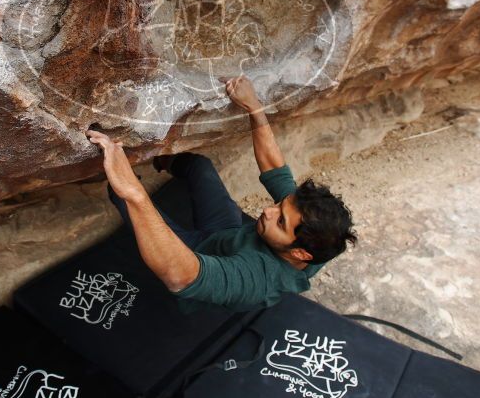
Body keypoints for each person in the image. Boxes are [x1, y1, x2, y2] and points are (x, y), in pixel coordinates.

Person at [85, 75, 357, 312]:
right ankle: (158, 163)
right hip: (225, 236)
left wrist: (134, 192)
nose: (268, 211)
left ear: (300, 255)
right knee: (198, 166)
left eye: (281, 221)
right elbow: (276, 168)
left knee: (122, 193)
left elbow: (180, 275)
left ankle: (110, 172)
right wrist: (254, 107)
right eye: (281, 205)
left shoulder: (256, 279)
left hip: (195, 257)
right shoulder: (319, 237)